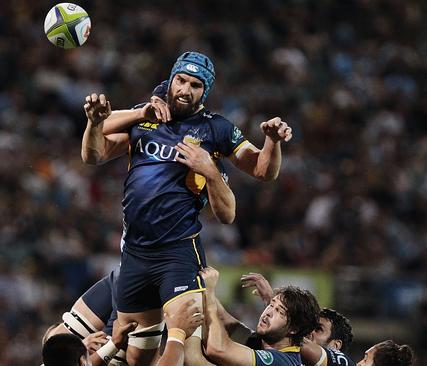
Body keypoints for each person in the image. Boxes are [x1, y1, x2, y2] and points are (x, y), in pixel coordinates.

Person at [81, 51, 293, 366]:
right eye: (181, 80)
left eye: (195, 85)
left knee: (190, 349)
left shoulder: (216, 129)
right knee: (136, 356)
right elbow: (93, 155)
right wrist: (97, 122)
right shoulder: (144, 114)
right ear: (172, 78)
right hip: (136, 253)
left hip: (178, 253)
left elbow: (263, 171)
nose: (184, 90)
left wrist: (272, 143)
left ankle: (268, 355)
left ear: (204, 91)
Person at [201, 266, 320, 365]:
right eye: (271, 305)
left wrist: (209, 290)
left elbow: (217, 349)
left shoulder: (283, 362)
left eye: (280, 311)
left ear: (294, 329)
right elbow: (222, 317)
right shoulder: (265, 341)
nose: (268, 312)